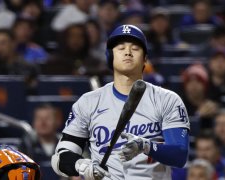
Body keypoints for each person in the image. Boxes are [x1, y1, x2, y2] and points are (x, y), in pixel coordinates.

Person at [51, 24, 190, 180]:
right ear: (110, 56)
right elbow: (60, 158)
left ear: (145, 58)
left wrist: (146, 146)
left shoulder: (167, 99)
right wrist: (82, 166)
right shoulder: (88, 102)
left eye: (135, 48)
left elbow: (179, 155)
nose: (128, 52)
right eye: (121, 48)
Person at [31, 104, 60, 180]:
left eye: (47, 118)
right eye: (39, 119)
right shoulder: (26, 146)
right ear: (34, 123)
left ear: (57, 122)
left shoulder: (67, 145)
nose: (43, 123)